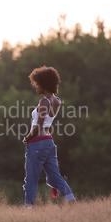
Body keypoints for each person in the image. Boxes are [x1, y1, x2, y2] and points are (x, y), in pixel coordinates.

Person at [22, 65, 76, 208]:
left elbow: (38, 126)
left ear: (44, 84)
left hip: (37, 143)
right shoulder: (57, 101)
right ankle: (71, 201)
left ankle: (28, 210)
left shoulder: (44, 101)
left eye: (37, 84)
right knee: (55, 177)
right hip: (49, 143)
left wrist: (26, 138)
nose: (36, 87)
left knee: (31, 180)